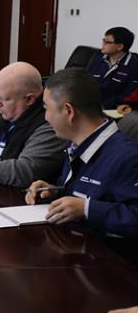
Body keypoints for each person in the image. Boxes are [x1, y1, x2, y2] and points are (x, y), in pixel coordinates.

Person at [25, 68, 138, 242]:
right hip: (74, 244)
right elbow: (92, 194)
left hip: (108, 255)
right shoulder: (78, 144)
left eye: (47, 108)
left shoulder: (128, 157)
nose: (46, 117)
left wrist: (87, 209)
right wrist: (54, 192)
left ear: (69, 111)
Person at [87, 27, 138, 109]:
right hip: (90, 104)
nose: (103, 44)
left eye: (107, 42)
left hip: (112, 109)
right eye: (103, 40)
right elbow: (85, 81)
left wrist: (104, 106)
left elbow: (128, 96)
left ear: (120, 46)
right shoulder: (98, 58)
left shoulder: (134, 65)